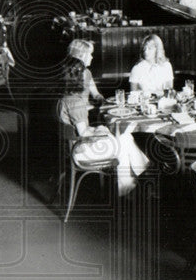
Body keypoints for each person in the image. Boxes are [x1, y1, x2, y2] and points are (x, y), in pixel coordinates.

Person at [58, 59, 149, 195]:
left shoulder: (65, 97)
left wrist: (99, 129)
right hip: (81, 151)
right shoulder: (75, 101)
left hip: (74, 147)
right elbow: (83, 133)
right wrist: (101, 130)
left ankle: (132, 183)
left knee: (124, 139)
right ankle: (138, 179)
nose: (86, 76)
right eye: (84, 73)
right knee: (124, 139)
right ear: (77, 77)